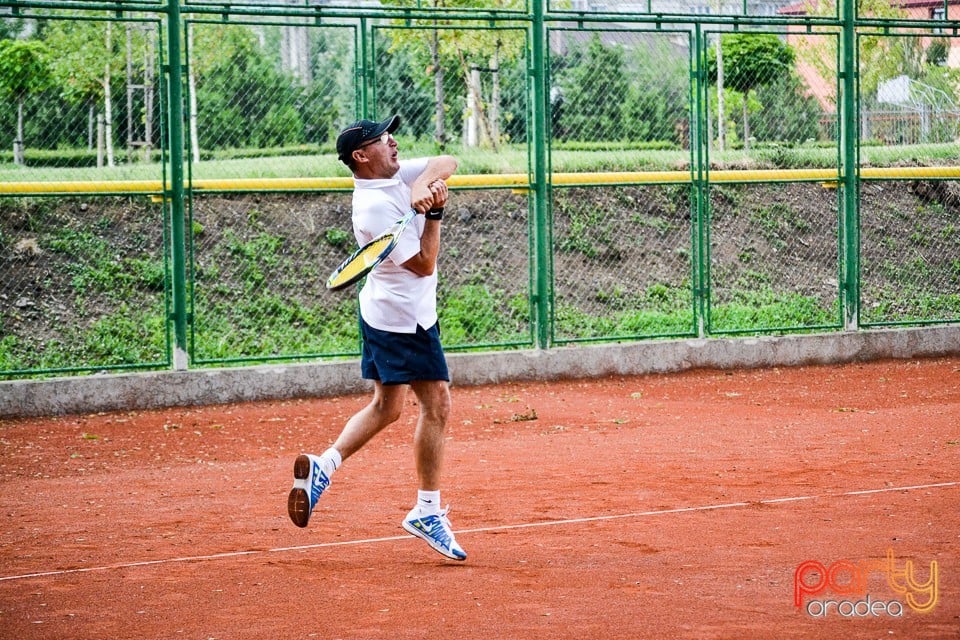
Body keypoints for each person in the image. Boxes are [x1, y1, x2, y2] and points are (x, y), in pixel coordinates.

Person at [286, 114, 466, 561]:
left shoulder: (391, 174)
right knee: (437, 403)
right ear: (361, 156)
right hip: (403, 319)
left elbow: (449, 160)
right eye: (382, 138)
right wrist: (436, 214)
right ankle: (426, 511)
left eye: (390, 133)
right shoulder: (372, 207)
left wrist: (422, 184)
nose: (394, 140)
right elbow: (424, 264)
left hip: (398, 311)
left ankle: (323, 467)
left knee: (387, 407)